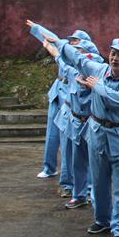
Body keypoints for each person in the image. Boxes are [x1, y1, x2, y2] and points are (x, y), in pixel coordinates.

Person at [37, 24, 119, 237]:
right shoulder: (99, 69)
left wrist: (98, 87)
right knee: (99, 180)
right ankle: (102, 220)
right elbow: (76, 58)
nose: (115, 58)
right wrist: (57, 42)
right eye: (113, 53)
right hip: (96, 131)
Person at [28, 23, 89, 196]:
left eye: (76, 41)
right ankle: (49, 167)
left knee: (69, 142)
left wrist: (39, 30)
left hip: (71, 100)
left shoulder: (84, 62)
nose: (72, 43)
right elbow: (54, 44)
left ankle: (74, 183)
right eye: (72, 40)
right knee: (52, 133)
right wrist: (38, 30)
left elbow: (55, 44)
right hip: (57, 91)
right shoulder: (66, 55)